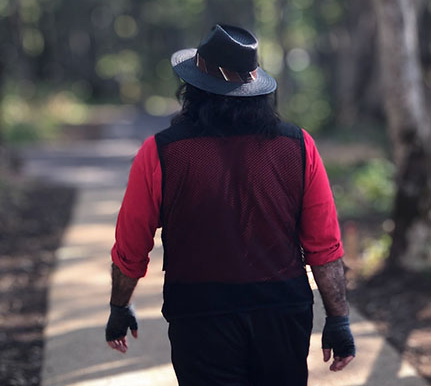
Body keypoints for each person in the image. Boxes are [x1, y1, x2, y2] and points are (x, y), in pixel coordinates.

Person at [104, 24, 355, 385]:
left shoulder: (162, 152)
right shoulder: (298, 147)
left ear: (191, 89)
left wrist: (119, 305)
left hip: (199, 314)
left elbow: (131, 246)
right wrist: (338, 319)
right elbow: (324, 246)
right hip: (282, 310)